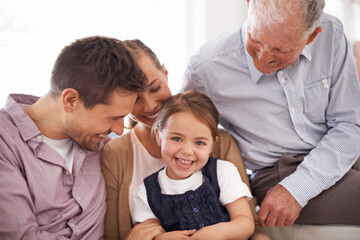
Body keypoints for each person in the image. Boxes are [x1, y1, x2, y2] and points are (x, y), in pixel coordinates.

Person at [183, 0, 360, 231]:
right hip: (277, 171)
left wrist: (300, 187)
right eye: (255, 39)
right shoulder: (205, 67)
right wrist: (295, 188)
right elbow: (180, 127)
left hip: (338, 146)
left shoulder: (331, 33)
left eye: (282, 50)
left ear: (311, 36)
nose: (264, 59)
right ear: (248, 5)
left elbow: (349, 122)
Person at [100, 39, 269, 240]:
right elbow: (113, 234)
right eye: (135, 99)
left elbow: (251, 226)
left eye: (155, 88)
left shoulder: (222, 148)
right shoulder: (116, 155)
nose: (149, 106)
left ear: (165, 73)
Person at [0, 36, 148, 239]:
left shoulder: (103, 146)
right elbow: (21, 236)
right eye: (113, 118)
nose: (119, 130)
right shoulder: (6, 143)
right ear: (70, 100)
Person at [132, 90, 255, 240]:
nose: (187, 151)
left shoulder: (223, 172)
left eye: (199, 143)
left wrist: (219, 232)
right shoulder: (145, 192)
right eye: (177, 139)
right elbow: (147, 234)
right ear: (159, 136)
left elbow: (245, 223)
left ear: (211, 146)